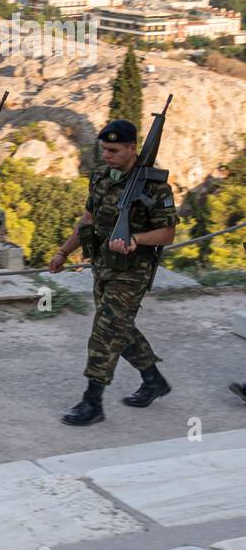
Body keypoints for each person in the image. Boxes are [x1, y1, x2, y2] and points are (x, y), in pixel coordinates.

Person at [49, 120, 177, 425]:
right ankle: (153, 379)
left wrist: (137, 239)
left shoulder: (155, 184)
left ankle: (92, 402)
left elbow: (167, 234)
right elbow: (88, 219)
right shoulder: (101, 176)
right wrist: (63, 251)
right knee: (119, 327)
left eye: (114, 150)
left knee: (105, 331)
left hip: (134, 269)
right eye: (104, 149)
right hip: (103, 264)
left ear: (132, 148)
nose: (106, 155)